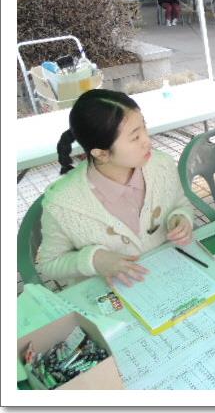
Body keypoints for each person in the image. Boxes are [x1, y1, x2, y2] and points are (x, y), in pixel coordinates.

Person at [36, 89, 194, 288]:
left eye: (144, 127)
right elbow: (48, 264)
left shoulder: (161, 165)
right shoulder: (62, 203)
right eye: (135, 137)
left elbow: (181, 203)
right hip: (112, 301)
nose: (147, 140)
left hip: (171, 280)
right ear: (101, 154)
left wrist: (181, 218)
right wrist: (94, 260)